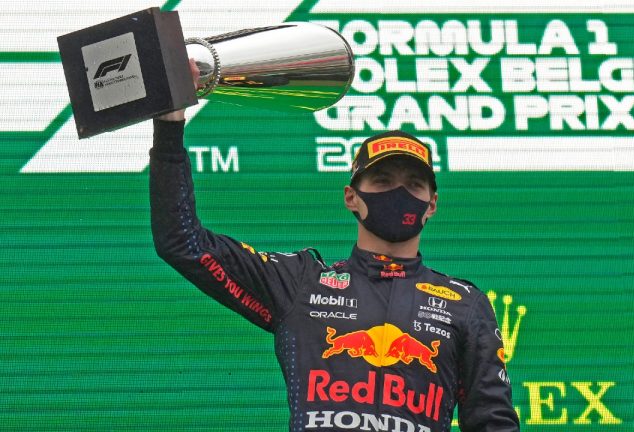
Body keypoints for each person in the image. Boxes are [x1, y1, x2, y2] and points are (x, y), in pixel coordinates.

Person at [149, 63, 520, 432]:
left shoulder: (465, 304)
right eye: (383, 180)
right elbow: (183, 241)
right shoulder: (303, 282)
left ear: (432, 204)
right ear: (351, 197)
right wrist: (169, 125)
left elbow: (494, 423)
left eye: (414, 184)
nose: (399, 192)